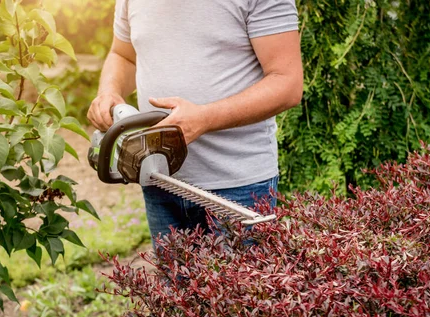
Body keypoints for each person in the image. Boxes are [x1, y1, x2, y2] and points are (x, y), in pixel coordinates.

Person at [88, 0, 304, 241]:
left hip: (238, 188)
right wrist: (109, 90)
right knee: (172, 280)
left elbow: (287, 83)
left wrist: (204, 119)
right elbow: (124, 56)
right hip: (158, 179)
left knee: (240, 280)